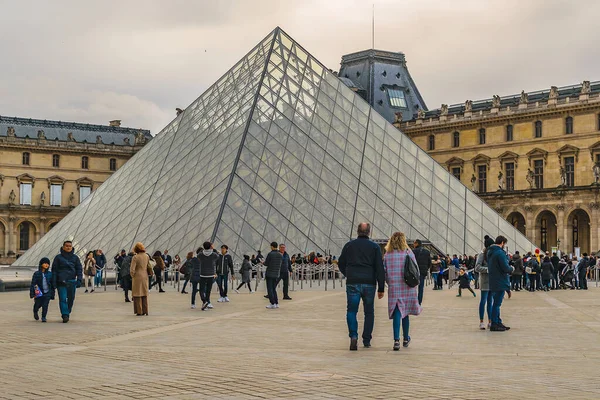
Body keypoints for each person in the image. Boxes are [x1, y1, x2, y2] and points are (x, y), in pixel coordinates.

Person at [338, 222, 385, 351]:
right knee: (369, 312)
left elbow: (341, 263)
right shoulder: (374, 247)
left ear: (357, 231)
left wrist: (348, 274)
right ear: (369, 232)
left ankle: (353, 336)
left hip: (353, 281)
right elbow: (379, 268)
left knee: (351, 310)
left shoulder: (349, 245)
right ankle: (366, 339)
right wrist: (381, 287)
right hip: (369, 283)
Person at [383, 232, 421, 351]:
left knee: (397, 312)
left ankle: (396, 340)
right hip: (407, 286)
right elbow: (416, 270)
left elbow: (384, 272)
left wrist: (388, 282)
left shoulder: (387, 255)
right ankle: (405, 338)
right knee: (405, 313)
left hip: (394, 287)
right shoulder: (408, 253)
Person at [51, 240, 83, 323]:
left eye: (70, 246)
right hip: (61, 281)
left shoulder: (75, 258)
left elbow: (79, 269)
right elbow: (54, 270)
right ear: (63, 247)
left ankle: (67, 311)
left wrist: (79, 279)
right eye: (67, 246)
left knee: (71, 299)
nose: (68, 247)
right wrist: (54, 282)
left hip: (72, 281)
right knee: (62, 299)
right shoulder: (58, 258)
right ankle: (65, 314)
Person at [487, 236, 514, 332]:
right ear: (502, 243)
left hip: (494, 280)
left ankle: (498, 321)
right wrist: (512, 268)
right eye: (504, 244)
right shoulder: (500, 253)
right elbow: (505, 268)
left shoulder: (491, 252)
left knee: (496, 303)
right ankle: (495, 323)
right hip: (500, 281)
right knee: (497, 304)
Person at [475, 237, 494, 330]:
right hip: (485, 281)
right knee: (483, 301)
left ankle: (490, 321)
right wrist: (487, 270)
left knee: (490, 302)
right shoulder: (482, 255)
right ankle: (481, 321)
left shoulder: (493, 254)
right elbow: (477, 267)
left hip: (492, 281)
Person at [194, 242, 219, 310]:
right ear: (210, 246)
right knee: (208, 290)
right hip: (211, 274)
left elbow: (198, 256)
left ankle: (204, 301)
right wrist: (213, 249)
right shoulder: (213, 254)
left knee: (201, 289)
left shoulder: (201, 254)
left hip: (203, 274)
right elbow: (217, 256)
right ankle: (207, 302)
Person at [30, 257, 55, 322]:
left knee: (45, 305)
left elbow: (52, 285)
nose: (47, 265)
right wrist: (32, 294)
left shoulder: (50, 274)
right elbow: (33, 284)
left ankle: (44, 317)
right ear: (41, 264)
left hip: (47, 292)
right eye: (45, 263)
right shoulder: (36, 273)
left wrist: (52, 294)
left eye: (48, 264)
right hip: (39, 292)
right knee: (38, 304)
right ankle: (35, 311)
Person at [130, 242, 151, 316]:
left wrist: (132, 275)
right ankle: (146, 310)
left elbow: (132, 269)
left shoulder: (135, 257)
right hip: (145, 275)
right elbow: (149, 266)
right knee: (144, 293)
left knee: (137, 293)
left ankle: (139, 311)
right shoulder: (146, 256)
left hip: (137, 276)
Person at [264, 242, 283, 309]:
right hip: (276, 274)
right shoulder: (280, 255)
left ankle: (272, 303)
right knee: (274, 289)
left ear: (272, 246)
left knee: (270, 289)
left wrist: (262, 262)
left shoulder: (270, 254)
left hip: (269, 274)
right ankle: (276, 303)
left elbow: (266, 263)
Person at [412, 239, 431, 305]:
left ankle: (413, 300)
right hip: (423, 272)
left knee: (412, 286)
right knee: (421, 287)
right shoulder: (427, 252)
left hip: (414, 271)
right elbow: (429, 262)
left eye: (414, 243)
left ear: (417, 243)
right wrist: (426, 268)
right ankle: (419, 301)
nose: (413, 244)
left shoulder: (413, 251)